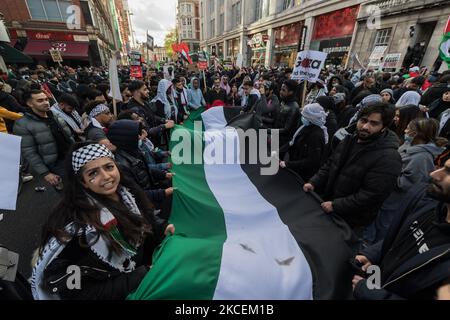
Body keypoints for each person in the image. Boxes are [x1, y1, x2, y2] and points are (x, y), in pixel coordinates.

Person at [31, 142, 174, 300]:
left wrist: (161, 227)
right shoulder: (77, 229)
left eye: (109, 167)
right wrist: (138, 276)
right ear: (83, 182)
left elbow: (144, 221)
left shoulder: (127, 192)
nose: (106, 176)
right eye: (93, 173)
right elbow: (78, 293)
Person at [352, 162, 450, 299]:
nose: (433, 174)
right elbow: (402, 237)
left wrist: (371, 294)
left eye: (449, 172)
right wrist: (374, 254)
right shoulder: (430, 204)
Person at [304, 103, 402, 234]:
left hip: (351, 222)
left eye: (374, 123)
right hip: (328, 205)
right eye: (363, 120)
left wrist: (336, 205)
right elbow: (331, 164)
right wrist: (314, 182)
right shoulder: (350, 139)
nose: (365, 127)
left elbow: (372, 195)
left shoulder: (389, 158)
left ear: (384, 127)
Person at [366, 118, 447, 244]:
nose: (405, 131)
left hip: (395, 202)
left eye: (408, 129)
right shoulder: (410, 145)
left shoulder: (422, 157)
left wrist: (386, 174)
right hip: (387, 197)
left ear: (416, 134)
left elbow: (408, 184)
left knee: (383, 229)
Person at [13, 89, 74, 185]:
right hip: (55, 165)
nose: (46, 103)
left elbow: (68, 136)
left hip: (72, 155)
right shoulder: (22, 124)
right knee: (70, 192)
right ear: (29, 103)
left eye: (46, 99)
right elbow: (29, 152)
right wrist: (45, 173)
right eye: (40, 101)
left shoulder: (53, 114)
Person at [279, 103, 327, 181]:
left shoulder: (316, 136)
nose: (302, 118)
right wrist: (278, 152)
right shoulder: (305, 127)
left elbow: (312, 161)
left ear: (312, 118)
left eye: (305, 117)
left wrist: (288, 164)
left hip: (303, 175)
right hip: (295, 167)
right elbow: (292, 142)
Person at [272, 80, 300, 147]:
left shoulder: (294, 107)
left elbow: (286, 129)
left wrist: (268, 130)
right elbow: (275, 119)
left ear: (291, 92)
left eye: (283, 90)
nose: (280, 92)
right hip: (276, 137)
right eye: (281, 89)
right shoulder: (283, 101)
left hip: (283, 142)